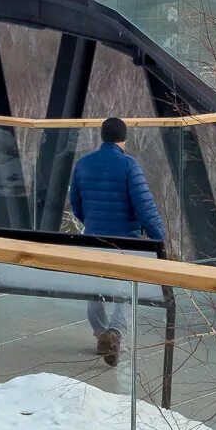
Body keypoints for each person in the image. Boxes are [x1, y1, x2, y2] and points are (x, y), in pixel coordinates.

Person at [66, 115, 166, 369]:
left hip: (94, 237)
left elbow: (76, 205)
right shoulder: (128, 165)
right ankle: (115, 332)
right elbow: (145, 206)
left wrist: (92, 220)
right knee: (126, 289)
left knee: (94, 287)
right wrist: (159, 238)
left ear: (102, 137)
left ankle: (100, 333)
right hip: (125, 242)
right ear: (123, 139)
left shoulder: (83, 164)